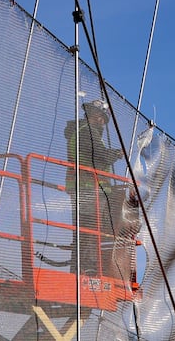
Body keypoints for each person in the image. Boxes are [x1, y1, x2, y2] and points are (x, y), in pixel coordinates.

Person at [64, 98, 121, 275]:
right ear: (92, 115)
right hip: (88, 188)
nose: (102, 121)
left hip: (86, 187)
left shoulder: (84, 131)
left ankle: (81, 267)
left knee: (86, 230)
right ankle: (86, 267)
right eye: (100, 117)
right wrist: (117, 154)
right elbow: (101, 157)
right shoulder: (87, 131)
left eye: (103, 119)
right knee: (89, 229)